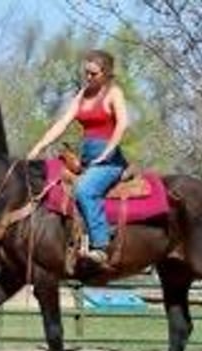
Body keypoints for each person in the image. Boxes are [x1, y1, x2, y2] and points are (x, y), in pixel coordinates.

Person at [27, 49, 129, 265]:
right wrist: (39, 146)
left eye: (94, 73)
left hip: (109, 162)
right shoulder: (82, 94)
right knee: (51, 180)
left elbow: (122, 124)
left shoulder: (114, 93)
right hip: (87, 160)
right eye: (86, 72)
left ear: (106, 73)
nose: (88, 77)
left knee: (85, 190)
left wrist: (107, 152)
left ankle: (101, 245)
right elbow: (62, 123)